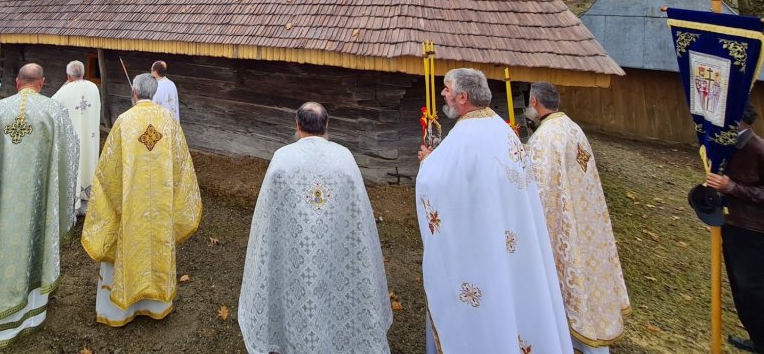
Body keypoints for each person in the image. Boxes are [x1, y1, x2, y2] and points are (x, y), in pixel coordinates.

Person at [416, 68, 571, 354]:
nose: (442, 93)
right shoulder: (500, 128)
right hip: (508, 232)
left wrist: (428, 162)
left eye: (447, 88)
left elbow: (435, 183)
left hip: (481, 241)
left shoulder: (467, 134)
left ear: (462, 97)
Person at [239, 101, 392, 354]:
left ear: (297, 126)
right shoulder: (344, 157)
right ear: (327, 125)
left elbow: (268, 221)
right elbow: (358, 217)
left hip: (294, 254)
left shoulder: (282, 158)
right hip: (337, 250)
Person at [0, 63, 79, 347]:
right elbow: (69, 157)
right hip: (36, 201)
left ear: (17, 82)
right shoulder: (53, 111)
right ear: (42, 82)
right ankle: (29, 310)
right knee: (35, 236)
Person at [82, 72, 201, 326]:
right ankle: (156, 305)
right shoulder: (168, 121)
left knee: (128, 242)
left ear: (134, 93)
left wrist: (114, 205)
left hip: (130, 208)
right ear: (153, 93)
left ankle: (120, 311)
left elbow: (108, 173)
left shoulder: (125, 121)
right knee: (156, 243)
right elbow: (182, 169)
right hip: (160, 207)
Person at [526, 82, 630, 354]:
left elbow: (537, 190)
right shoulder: (574, 128)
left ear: (535, 102)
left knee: (565, 281)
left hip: (563, 223)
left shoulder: (544, 139)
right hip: (587, 221)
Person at [705, 105, 764, 353]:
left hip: (753, 229)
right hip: (730, 223)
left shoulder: (757, 148)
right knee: (739, 287)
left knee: (753, 287)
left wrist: (732, 188)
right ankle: (758, 337)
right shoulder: (724, 145)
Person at [52, 59, 101, 215]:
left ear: (68, 76)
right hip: (90, 138)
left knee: (73, 164)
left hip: (71, 138)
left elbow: (52, 107)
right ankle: (87, 201)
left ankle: (71, 203)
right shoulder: (93, 88)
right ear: (83, 73)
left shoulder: (63, 92)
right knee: (88, 162)